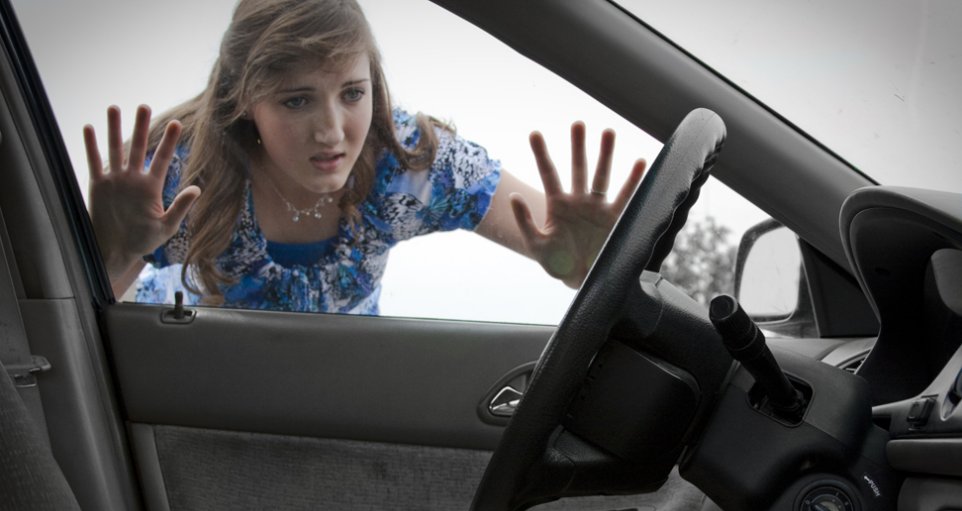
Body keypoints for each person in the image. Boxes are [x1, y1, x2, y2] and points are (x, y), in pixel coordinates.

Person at [84, 0, 646, 314]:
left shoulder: (410, 163)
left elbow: (571, 250)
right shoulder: (180, 174)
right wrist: (112, 255)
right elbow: (71, 330)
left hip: (345, 388)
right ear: (244, 100)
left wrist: (592, 266)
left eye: (352, 93)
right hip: (194, 385)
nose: (332, 132)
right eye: (297, 99)